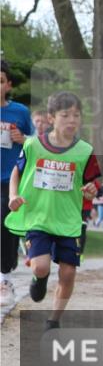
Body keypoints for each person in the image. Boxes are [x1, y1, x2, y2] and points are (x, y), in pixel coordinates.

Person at [5, 91, 100, 329]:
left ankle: (54, 320)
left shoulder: (85, 151)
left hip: (69, 221)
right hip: (38, 216)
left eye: (76, 115)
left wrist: (91, 190)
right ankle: (39, 278)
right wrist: (13, 195)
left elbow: (93, 182)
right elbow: (17, 171)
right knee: (41, 266)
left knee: (68, 274)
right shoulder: (33, 145)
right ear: (51, 118)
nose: (71, 120)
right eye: (65, 115)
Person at [1, 60, 34, 305]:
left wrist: (22, 138)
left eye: (0, 81)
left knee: (5, 225)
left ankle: (4, 275)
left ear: (8, 85)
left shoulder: (20, 112)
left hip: (8, 178)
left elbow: (35, 142)